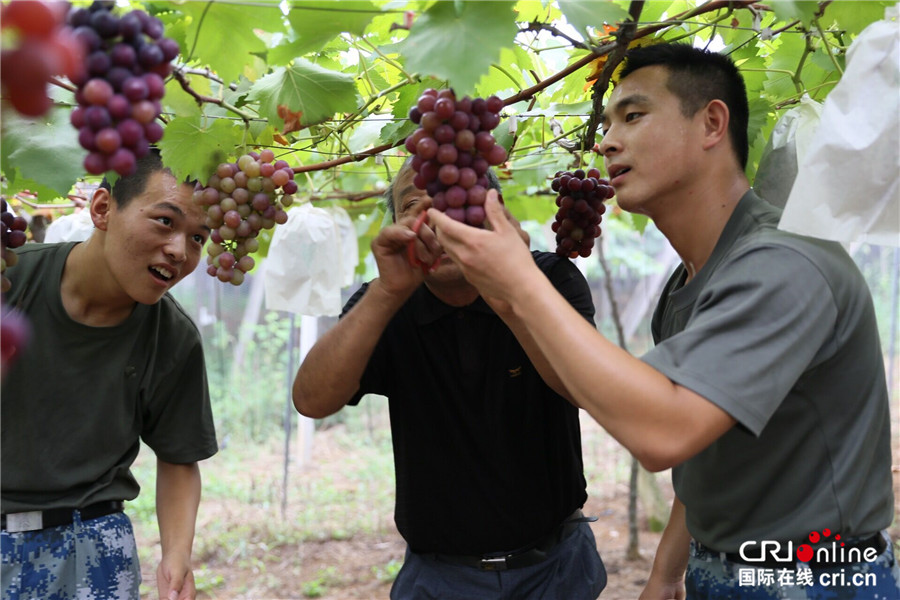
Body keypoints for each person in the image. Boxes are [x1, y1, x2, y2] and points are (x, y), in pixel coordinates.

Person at [428, 43, 899, 600]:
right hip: (726, 568)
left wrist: (523, 282)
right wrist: (670, 570)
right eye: (606, 123)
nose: (605, 141)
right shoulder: (690, 285)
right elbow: (704, 449)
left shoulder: (783, 265)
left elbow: (665, 432)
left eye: (633, 114)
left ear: (711, 124)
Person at [292, 160, 606, 599]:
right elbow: (311, 400)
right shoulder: (386, 301)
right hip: (439, 578)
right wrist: (386, 293)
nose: (434, 221)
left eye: (452, 203)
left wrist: (510, 288)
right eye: (415, 206)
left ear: (492, 211)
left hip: (556, 568)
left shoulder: (547, 280)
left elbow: (587, 390)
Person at [1, 149, 218, 600]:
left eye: (198, 238)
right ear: (102, 209)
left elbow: (179, 457)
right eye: (165, 221)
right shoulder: (10, 281)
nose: (180, 250)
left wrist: (177, 555)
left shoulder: (174, 338)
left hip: (96, 548)